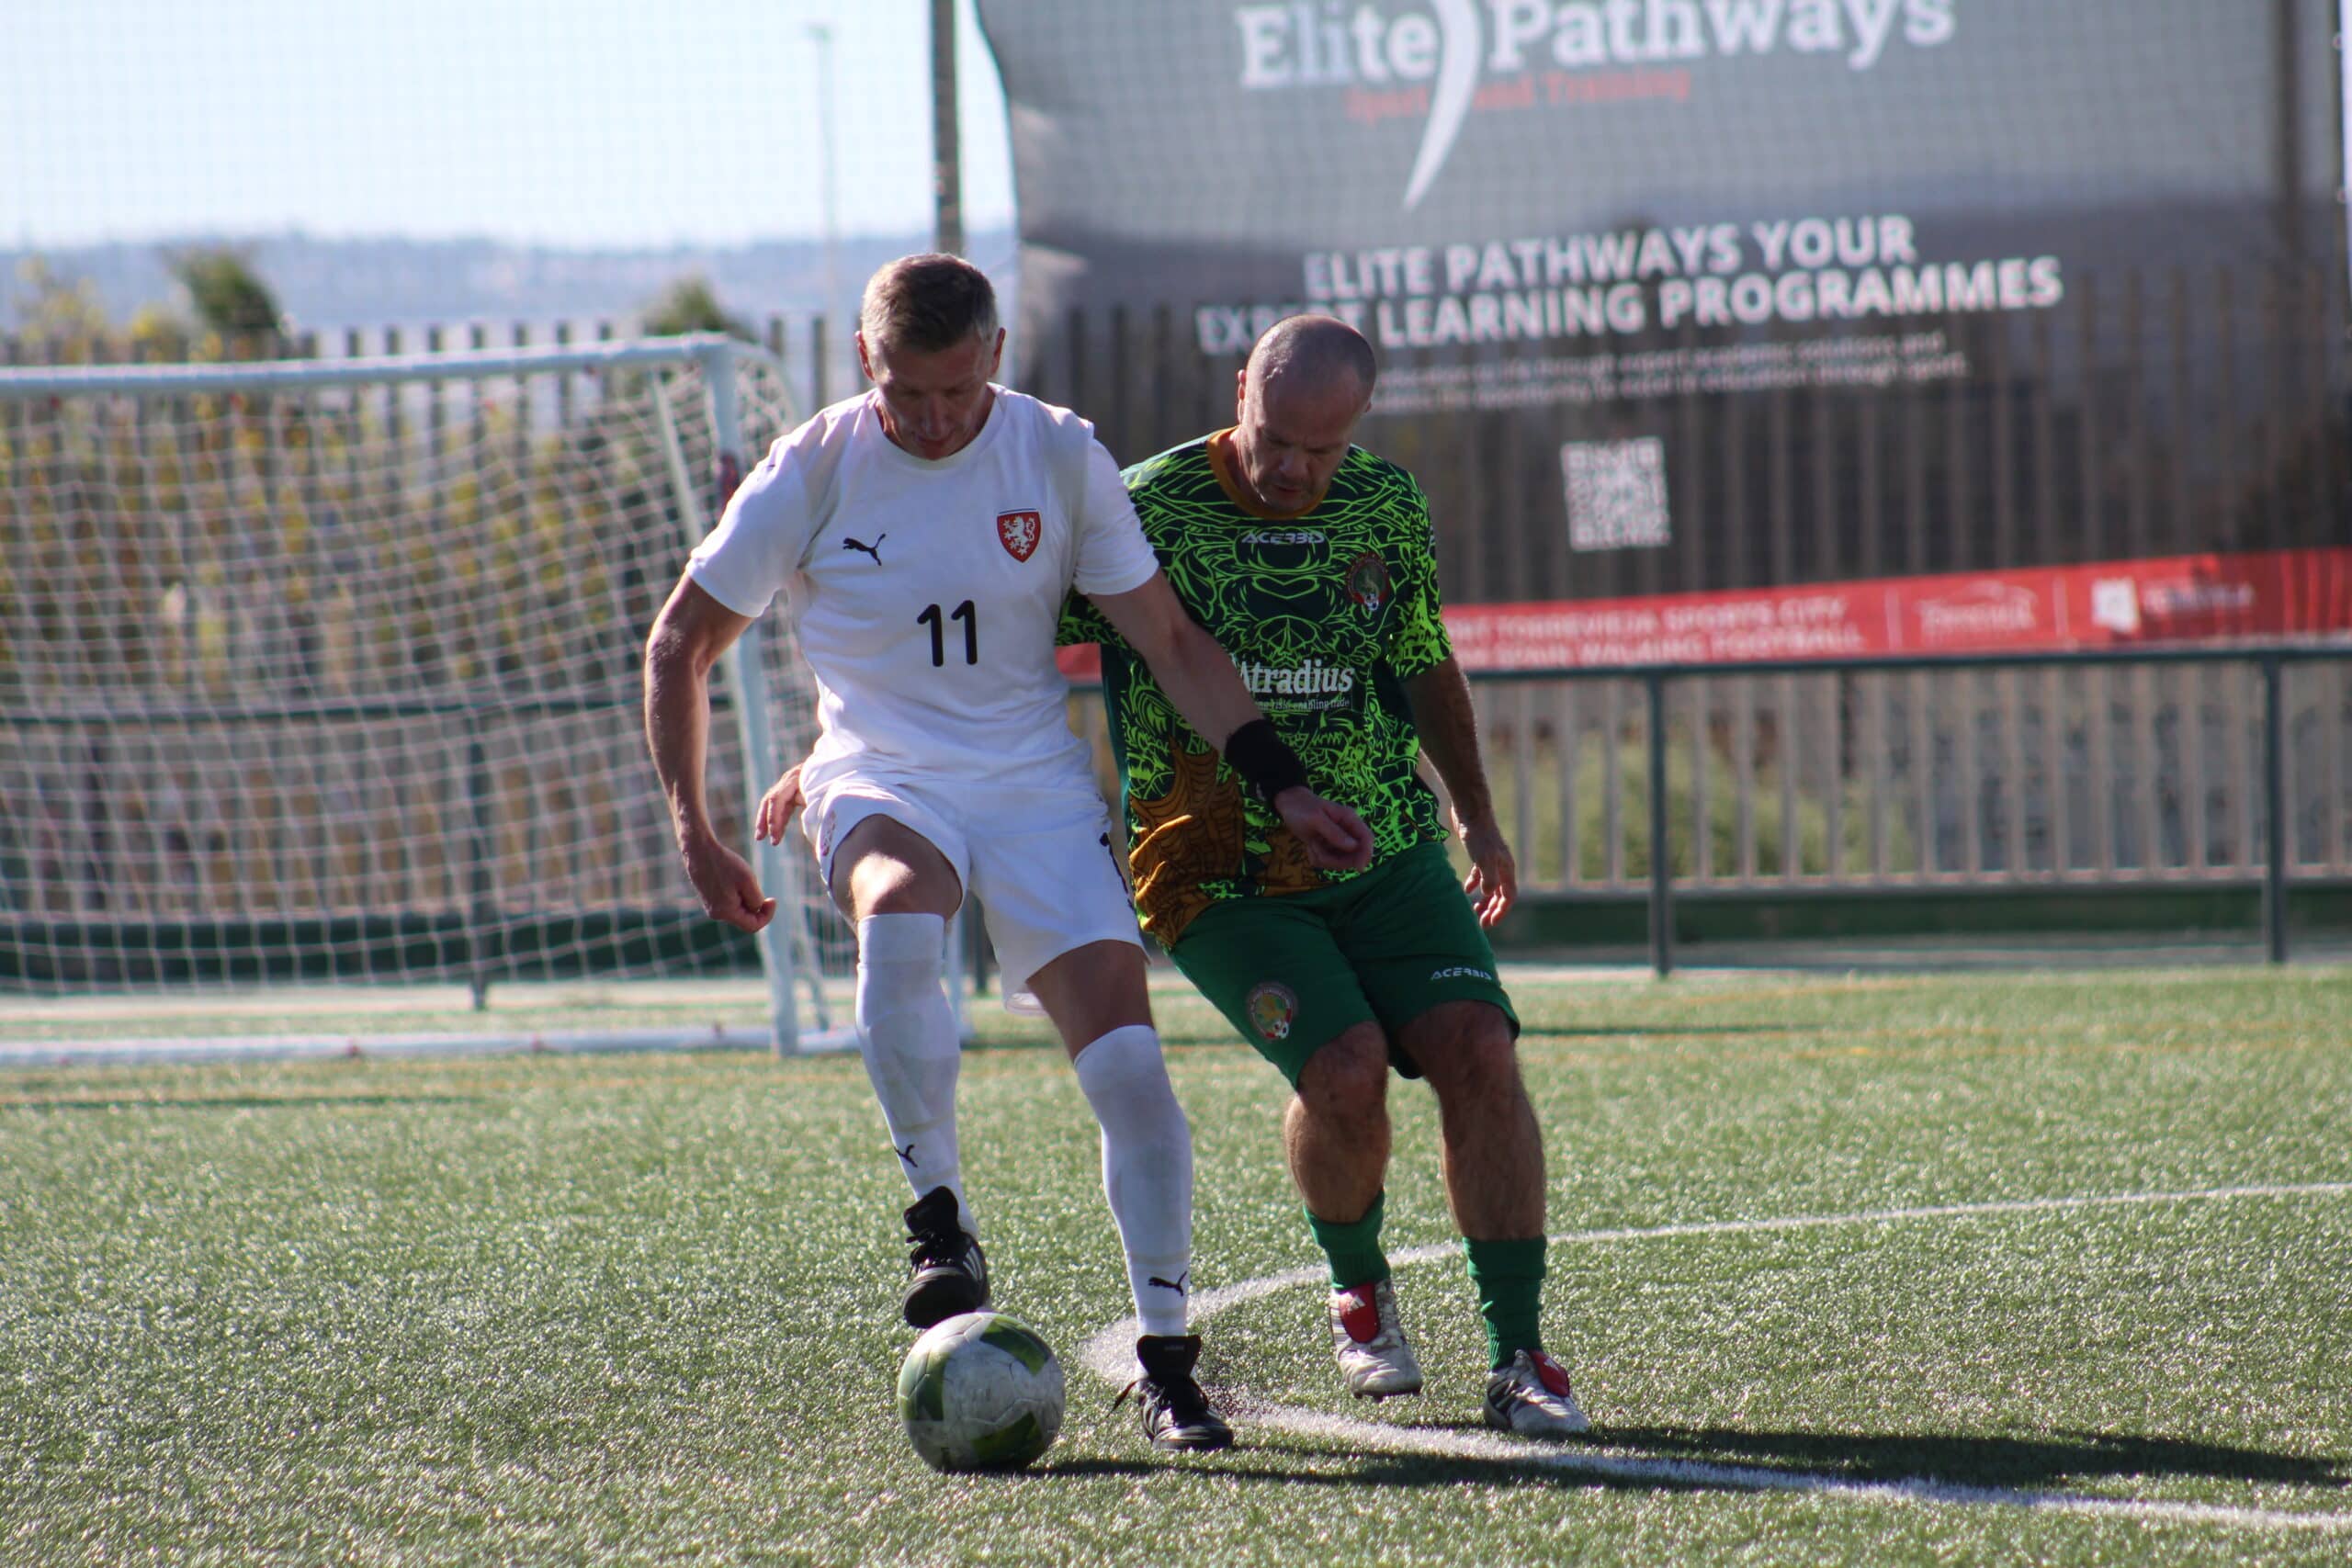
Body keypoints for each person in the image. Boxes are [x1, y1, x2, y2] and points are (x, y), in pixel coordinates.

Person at [643, 255, 1372, 1455]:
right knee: (898, 923)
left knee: (1133, 1070)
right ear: (868, 365)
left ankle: (1170, 1356)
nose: (930, 421)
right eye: (903, 394)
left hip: (1033, 786)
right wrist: (693, 820)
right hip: (881, 772)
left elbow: (1173, 642)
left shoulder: (1058, 453)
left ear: (991, 356)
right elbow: (681, 639)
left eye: (953, 392)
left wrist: (1280, 781)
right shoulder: (816, 464)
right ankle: (938, 1218)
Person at [1056, 313, 1589, 1439]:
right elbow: (1002, 635)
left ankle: (1519, 1353)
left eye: (1322, 450)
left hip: (1387, 850)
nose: (1294, 469)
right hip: (1217, 867)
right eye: (1274, 439)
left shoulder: (1384, 505)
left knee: (1480, 1049)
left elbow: (1419, 658)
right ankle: (1360, 1295)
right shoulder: (1142, 506)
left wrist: (1475, 813)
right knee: (1343, 1067)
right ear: (1239, 386)